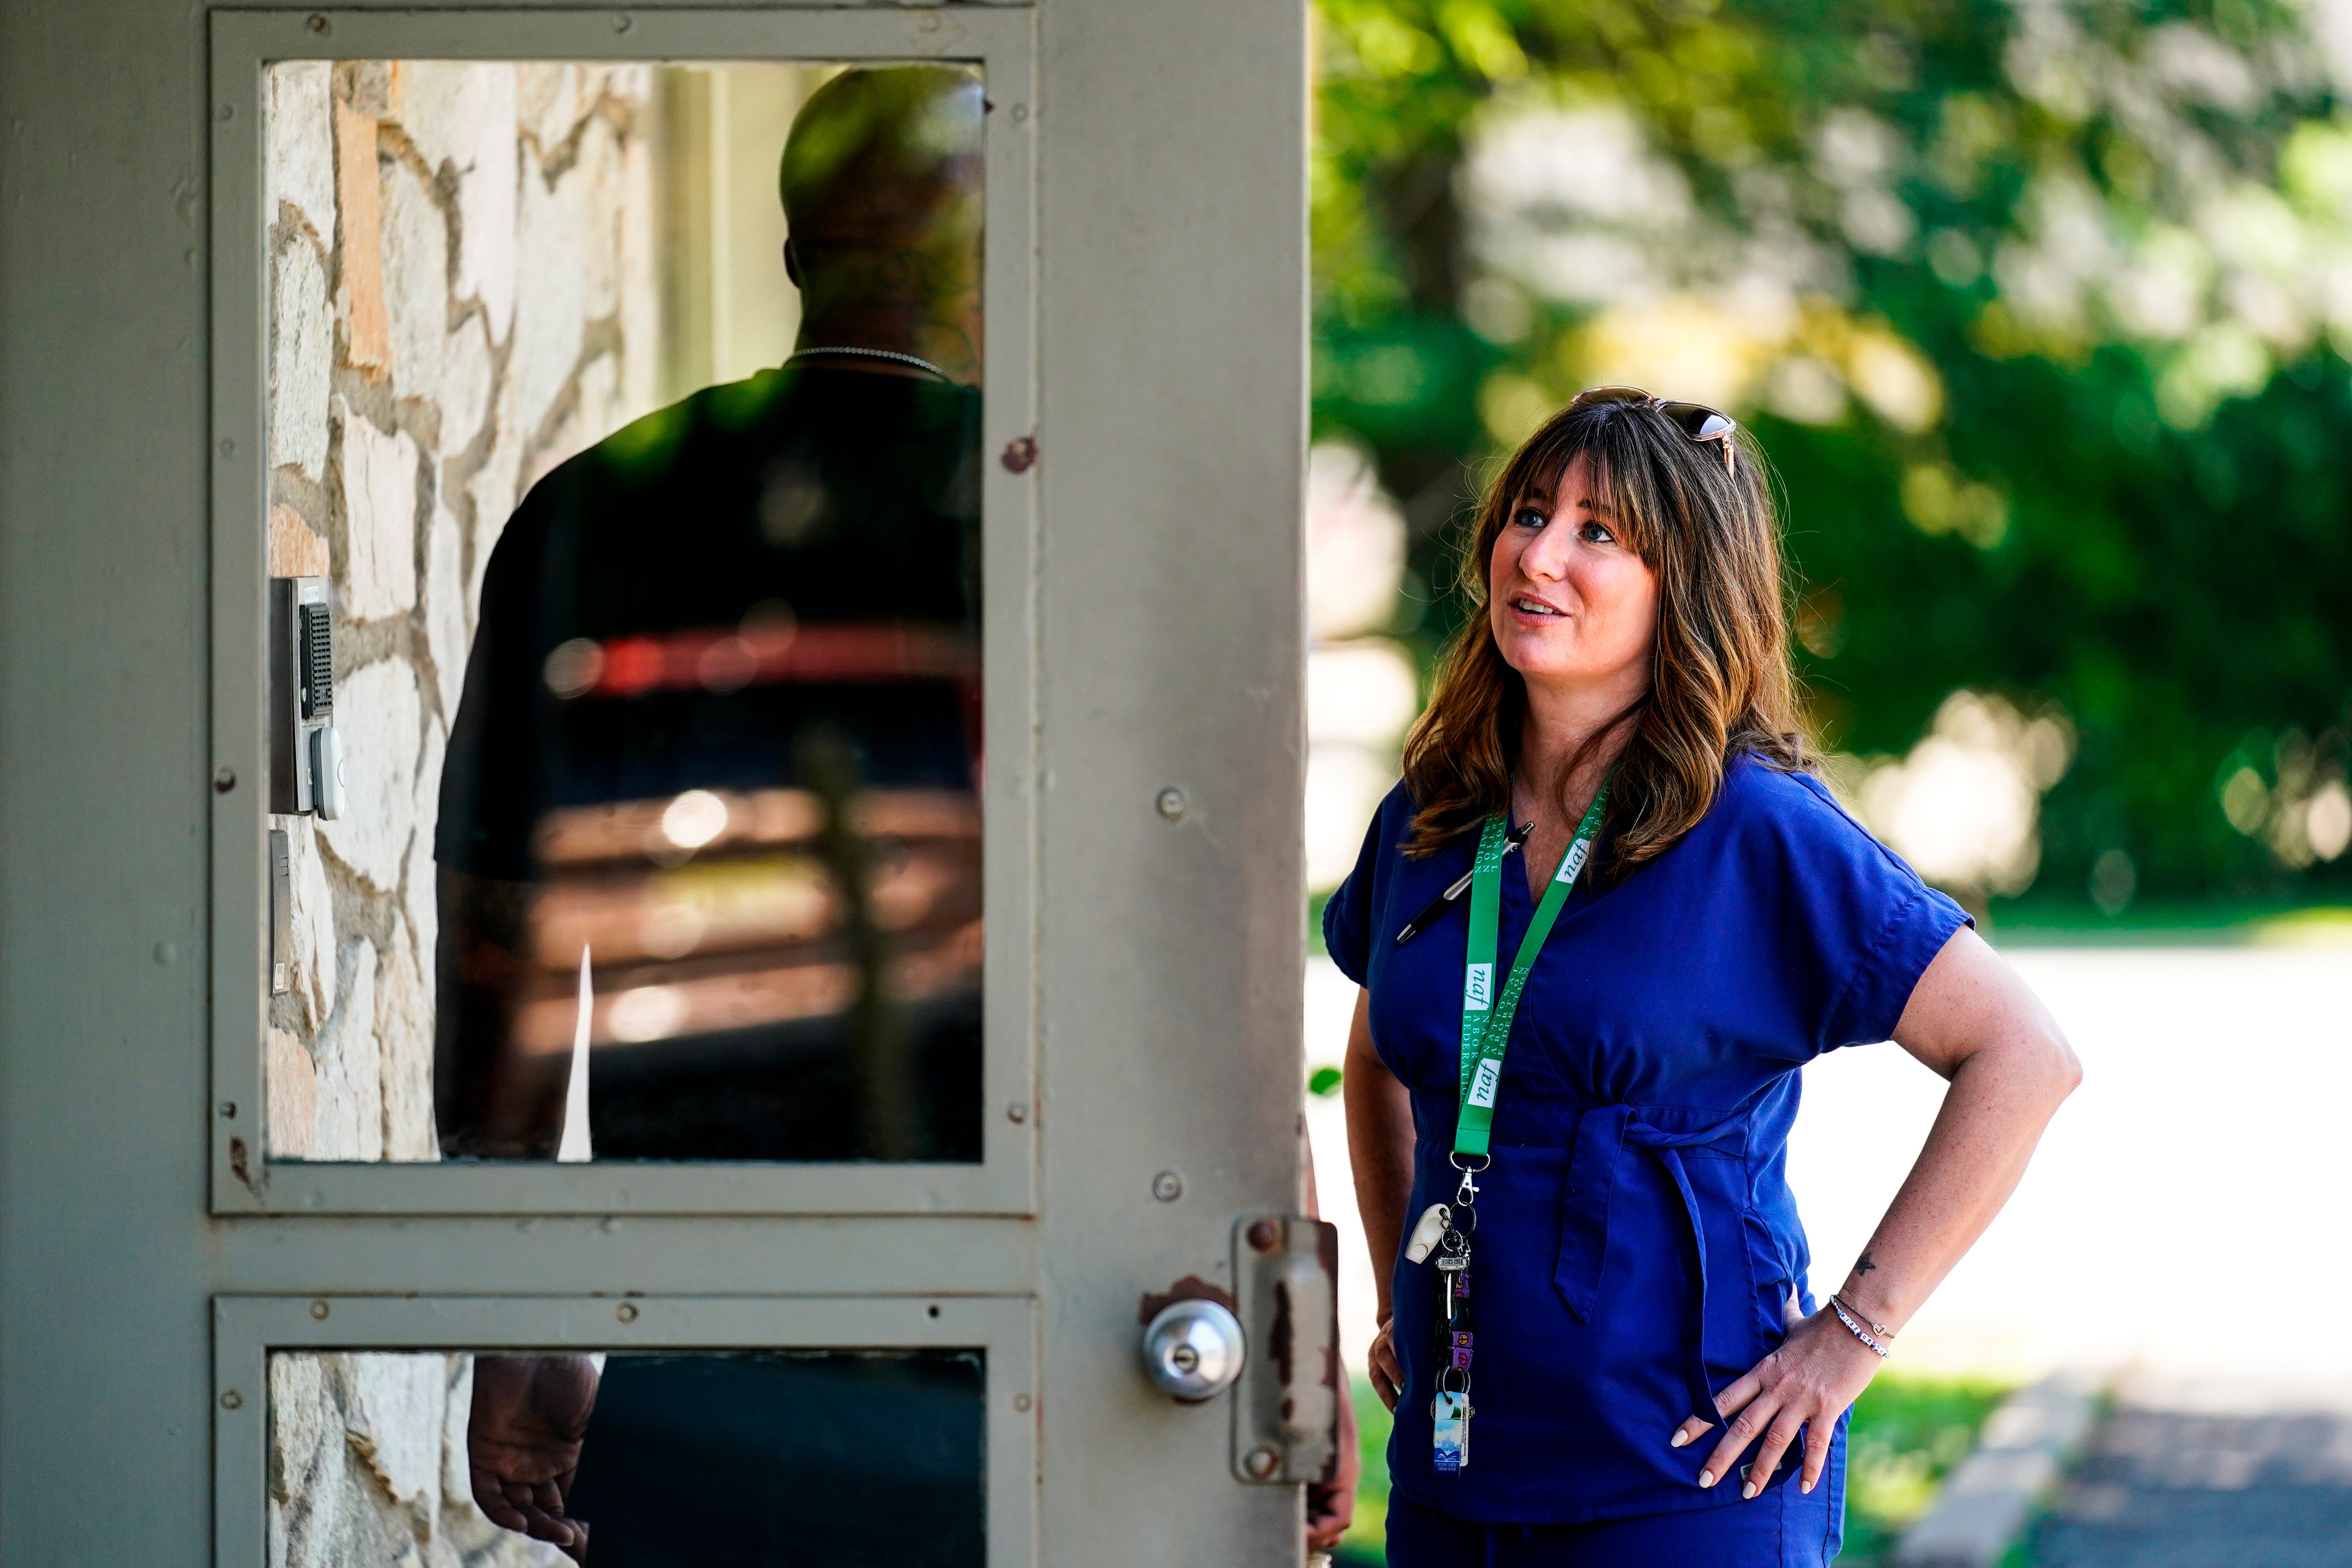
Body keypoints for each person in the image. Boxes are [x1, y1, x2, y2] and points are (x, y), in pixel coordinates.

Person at [1330, 388, 2081, 1565]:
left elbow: (2023, 1056)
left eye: (1598, 533)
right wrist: (1396, 1289)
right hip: (1450, 1478)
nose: (1538, 554)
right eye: (1529, 513)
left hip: (1685, 1477)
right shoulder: (1429, 815)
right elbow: (1380, 1054)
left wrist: (1850, 1334)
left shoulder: (1756, 826)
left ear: (1679, 583)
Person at [435, 64, 986, 1164]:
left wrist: (509, 1286)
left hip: (702, 1235)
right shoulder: (1046, 506)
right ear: (980, 263)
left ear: (791, 259)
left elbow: (497, 920)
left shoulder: (592, 505)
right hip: (1011, 1235)